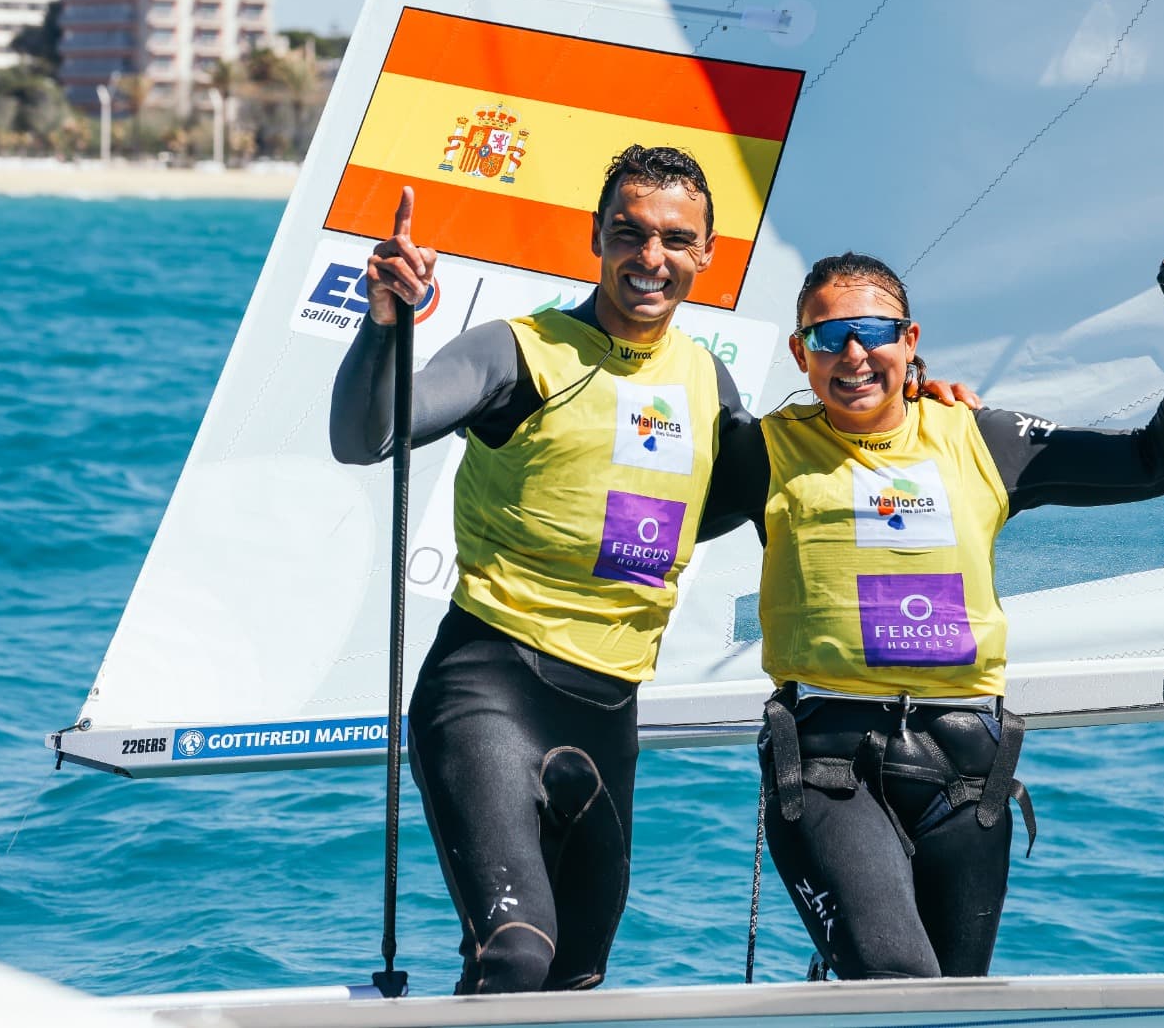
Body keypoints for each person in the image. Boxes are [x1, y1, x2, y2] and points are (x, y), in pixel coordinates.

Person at [329, 143, 976, 994]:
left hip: (609, 713)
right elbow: (365, 436)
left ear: (708, 255)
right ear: (595, 237)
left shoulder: (707, 384)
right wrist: (385, 325)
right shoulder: (518, 353)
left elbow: (810, 469)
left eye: (675, 240)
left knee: (576, 977)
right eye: (629, 234)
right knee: (515, 952)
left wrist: (923, 411)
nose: (651, 259)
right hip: (487, 687)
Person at [706, 214, 1164, 979]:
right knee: (895, 981)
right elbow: (647, 496)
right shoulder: (766, 450)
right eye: (827, 337)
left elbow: (1162, 463)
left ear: (909, 340)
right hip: (828, 764)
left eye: (872, 331)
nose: (853, 354)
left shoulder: (980, 436)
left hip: (965, 773)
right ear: (800, 353)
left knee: (951, 1007)